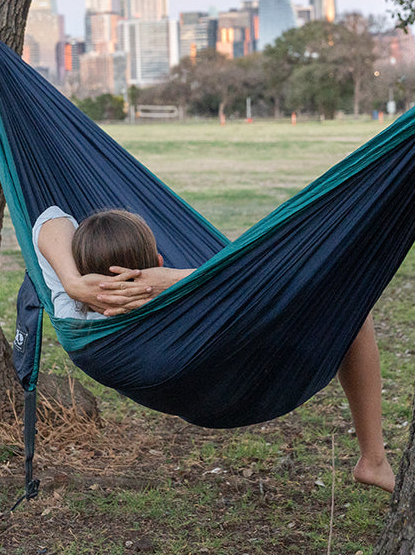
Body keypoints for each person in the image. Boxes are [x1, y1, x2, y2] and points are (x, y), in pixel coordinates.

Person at [33, 205, 396, 492]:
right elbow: (263, 280)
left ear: (83, 270)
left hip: (197, 380)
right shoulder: (189, 304)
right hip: (249, 372)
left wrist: (72, 283)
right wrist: (173, 281)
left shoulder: (74, 312)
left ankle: (374, 462)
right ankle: (373, 459)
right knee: (352, 310)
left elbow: (47, 219)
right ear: (158, 262)